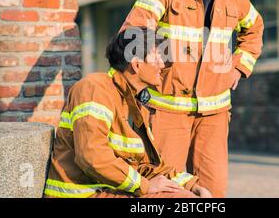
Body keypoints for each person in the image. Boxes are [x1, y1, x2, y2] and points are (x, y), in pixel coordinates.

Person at [120, 0, 264, 197]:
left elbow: (254, 29)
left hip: (215, 114)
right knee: (166, 188)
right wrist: (150, 67)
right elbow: (133, 34)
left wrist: (240, 66)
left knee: (213, 191)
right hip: (166, 111)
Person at [44, 27, 212, 198]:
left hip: (109, 189)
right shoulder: (94, 88)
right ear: (137, 64)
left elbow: (148, 165)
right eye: (156, 57)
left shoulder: (133, 103)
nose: (162, 64)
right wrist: (144, 185)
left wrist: (191, 185)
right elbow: (92, 156)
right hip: (84, 194)